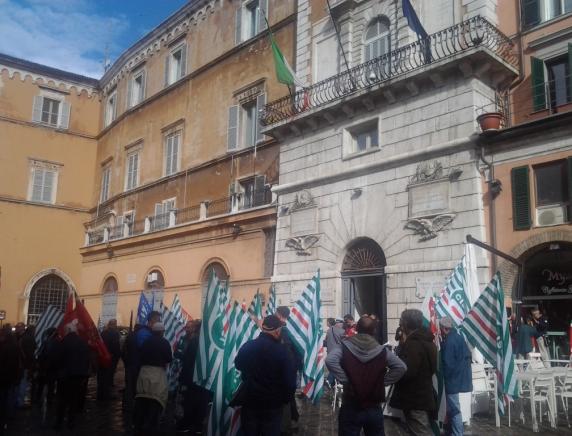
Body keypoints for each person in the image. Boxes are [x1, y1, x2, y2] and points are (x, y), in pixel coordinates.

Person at [326, 315, 407, 436]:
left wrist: (346, 379)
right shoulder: (382, 350)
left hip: (351, 405)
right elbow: (401, 367)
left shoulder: (345, 346)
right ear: (374, 331)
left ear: (357, 328)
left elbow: (330, 360)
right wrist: (382, 382)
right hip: (373, 406)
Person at [235, 314, 297, 436]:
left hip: (251, 400)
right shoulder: (283, 351)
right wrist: (285, 399)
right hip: (272, 403)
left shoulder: (248, 346)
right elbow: (290, 381)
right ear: (277, 331)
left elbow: (238, 365)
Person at [390, 309, 438, 436]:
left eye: (401, 321)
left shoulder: (414, 344)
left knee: (422, 432)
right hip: (422, 396)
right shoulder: (427, 340)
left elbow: (406, 371)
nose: (400, 325)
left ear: (406, 324)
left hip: (415, 398)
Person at [133, 321, 173, 436]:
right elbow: (169, 358)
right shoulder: (165, 343)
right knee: (156, 401)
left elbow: (140, 355)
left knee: (142, 399)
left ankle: (138, 424)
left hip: (144, 372)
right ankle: (152, 425)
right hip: (158, 373)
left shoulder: (146, 342)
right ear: (161, 332)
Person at [53, 322, 91, 430]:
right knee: (73, 400)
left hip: (64, 376)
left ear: (69, 330)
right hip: (78, 376)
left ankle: (59, 422)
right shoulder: (82, 343)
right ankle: (71, 422)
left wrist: (58, 371)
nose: (64, 332)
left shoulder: (63, 342)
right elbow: (86, 360)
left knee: (62, 400)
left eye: (65, 330)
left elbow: (58, 359)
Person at [439, 317, 472, 436]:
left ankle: (457, 433)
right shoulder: (459, 338)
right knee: (454, 408)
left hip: (452, 380)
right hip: (460, 378)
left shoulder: (449, 341)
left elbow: (448, 364)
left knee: (454, 409)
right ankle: (454, 431)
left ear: (443, 328)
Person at [177, 320, 211, 433]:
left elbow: (188, 361)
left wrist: (183, 378)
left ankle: (189, 423)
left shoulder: (195, 341)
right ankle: (198, 425)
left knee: (191, 401)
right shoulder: (210, 342)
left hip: (193, 378)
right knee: (201, 402)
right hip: (205, 378)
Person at [275, 306, 303, 432]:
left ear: (279, 314)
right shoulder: (293, 328)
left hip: (285, 369)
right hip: (291, 368)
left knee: (287, 396)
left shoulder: (283, 330)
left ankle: (289, 422)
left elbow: (289, 351)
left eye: (276, 313)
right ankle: (293, 419)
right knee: (289, 395)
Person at [0, 325, 21, 436]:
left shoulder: (4, 346)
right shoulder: (16, 345)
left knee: (3, 397)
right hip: (11, 375)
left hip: (3, 376)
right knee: (9, 395)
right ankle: (8, 415)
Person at [98, 319, 121, 400]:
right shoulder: (115, 333)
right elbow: (116, 346)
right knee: (109, 376)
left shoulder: (103, 333)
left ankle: (100, 394)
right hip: (111, 357)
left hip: (102, 357)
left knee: (101, 376)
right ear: (114, 324)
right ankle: (106, 394)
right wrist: (117, 356)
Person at [122, 324, 142, 410]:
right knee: (135, 385)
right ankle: (134, 404)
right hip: (137, 365)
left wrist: (125, 362)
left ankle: (127, 405)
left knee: (128, 385)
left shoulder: (129, 337)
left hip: (129, 364)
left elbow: (123, 351)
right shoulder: (139, 338)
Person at [15, 323, 36, 407]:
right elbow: (30, 353)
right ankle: (19, 402)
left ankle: (18, 402)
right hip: (24, 365)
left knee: (21, 383)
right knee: (23, 383)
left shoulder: (23, 338)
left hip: (22, 364)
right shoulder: (28, 338)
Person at [325, 318, 345, 388]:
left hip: (330, 351)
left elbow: (326, 340)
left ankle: (332, 383)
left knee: (331, 367)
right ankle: (330, 380)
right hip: (338, 353)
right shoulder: (342, 331)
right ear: (340, 323)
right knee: (336, 367)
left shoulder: (329, 331)